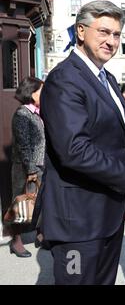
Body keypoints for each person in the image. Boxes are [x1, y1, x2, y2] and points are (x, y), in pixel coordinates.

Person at [36, 0, 125, 285]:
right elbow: (73, 150)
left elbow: (110, 140)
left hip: (107, 214)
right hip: (79, 222)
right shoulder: (65, 78)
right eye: (104, 32)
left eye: (116, 34)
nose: (111, 41)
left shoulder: (106, 78)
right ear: (81, 31)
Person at [5, 77, 45, 258]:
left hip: (39, 165)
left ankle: (40, 235)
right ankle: (16, 240)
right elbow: (23, 145)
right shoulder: (22, 114)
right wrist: (30, 169)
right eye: (41, 91)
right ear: (31, 92)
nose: (43, 95)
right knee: (21, 203)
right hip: (25, 168)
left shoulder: (36, 112)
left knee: (38, 203)